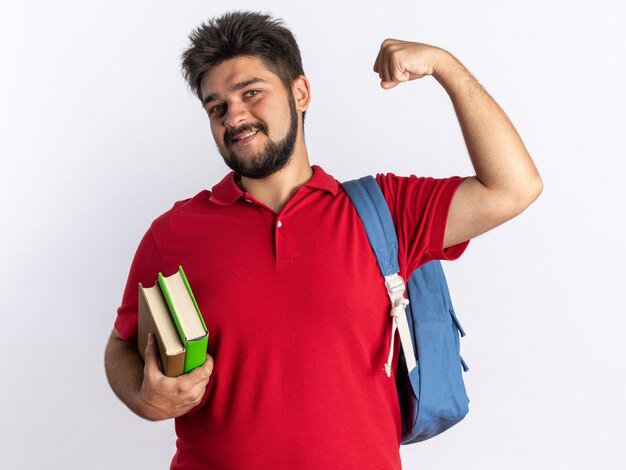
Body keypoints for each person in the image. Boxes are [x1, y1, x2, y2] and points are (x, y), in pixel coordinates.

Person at [104, 10, 542, 470]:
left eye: (251, 93)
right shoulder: (173, 234)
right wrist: (144, 395)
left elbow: (514, 187)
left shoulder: (386, 211)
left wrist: (445, 66)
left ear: (300, 92)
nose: (234, 117)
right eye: (217, 107)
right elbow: (120, 345)